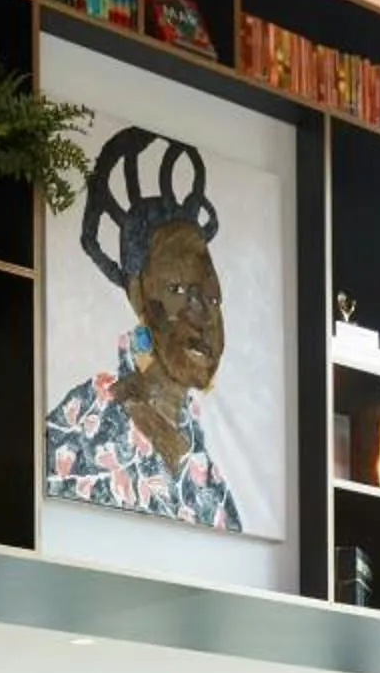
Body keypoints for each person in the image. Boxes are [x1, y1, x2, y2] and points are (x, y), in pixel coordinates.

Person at [44, 127, 240, 531]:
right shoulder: (79, 428)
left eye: (212, 297)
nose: (202, 314)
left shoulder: (208, 475)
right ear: (137, 293)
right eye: (178, 290)